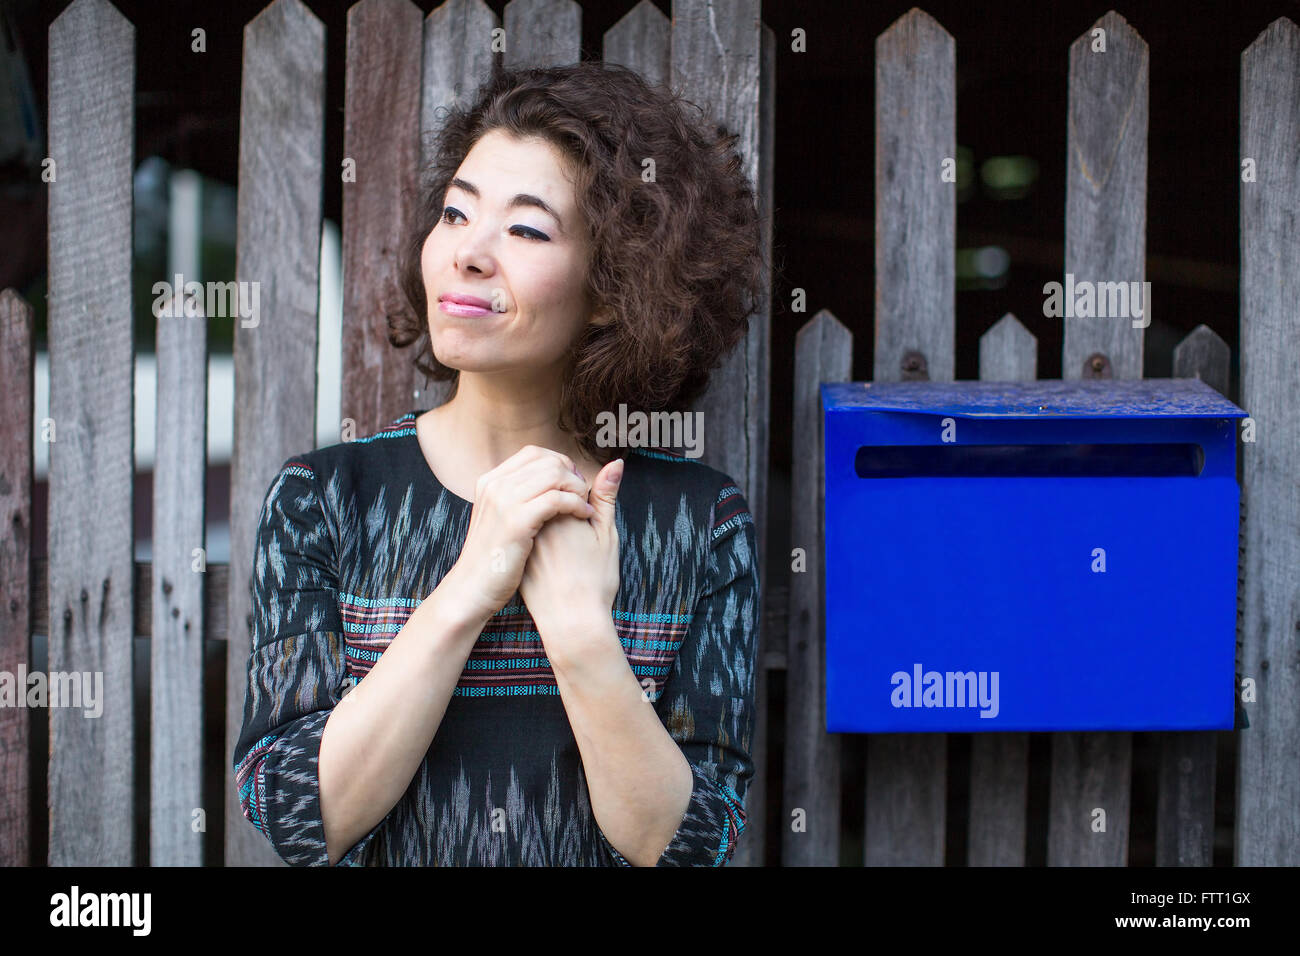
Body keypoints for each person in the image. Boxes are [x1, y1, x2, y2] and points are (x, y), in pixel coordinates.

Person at [232, 60, 766, 866]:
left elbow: (688, 848)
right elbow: (302, 817)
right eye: (455, 214)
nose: (468, 254)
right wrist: (470, 587)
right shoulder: (325, 500)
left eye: (525, 229)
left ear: (617, 286)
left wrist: (583, 632)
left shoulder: (699, 523)